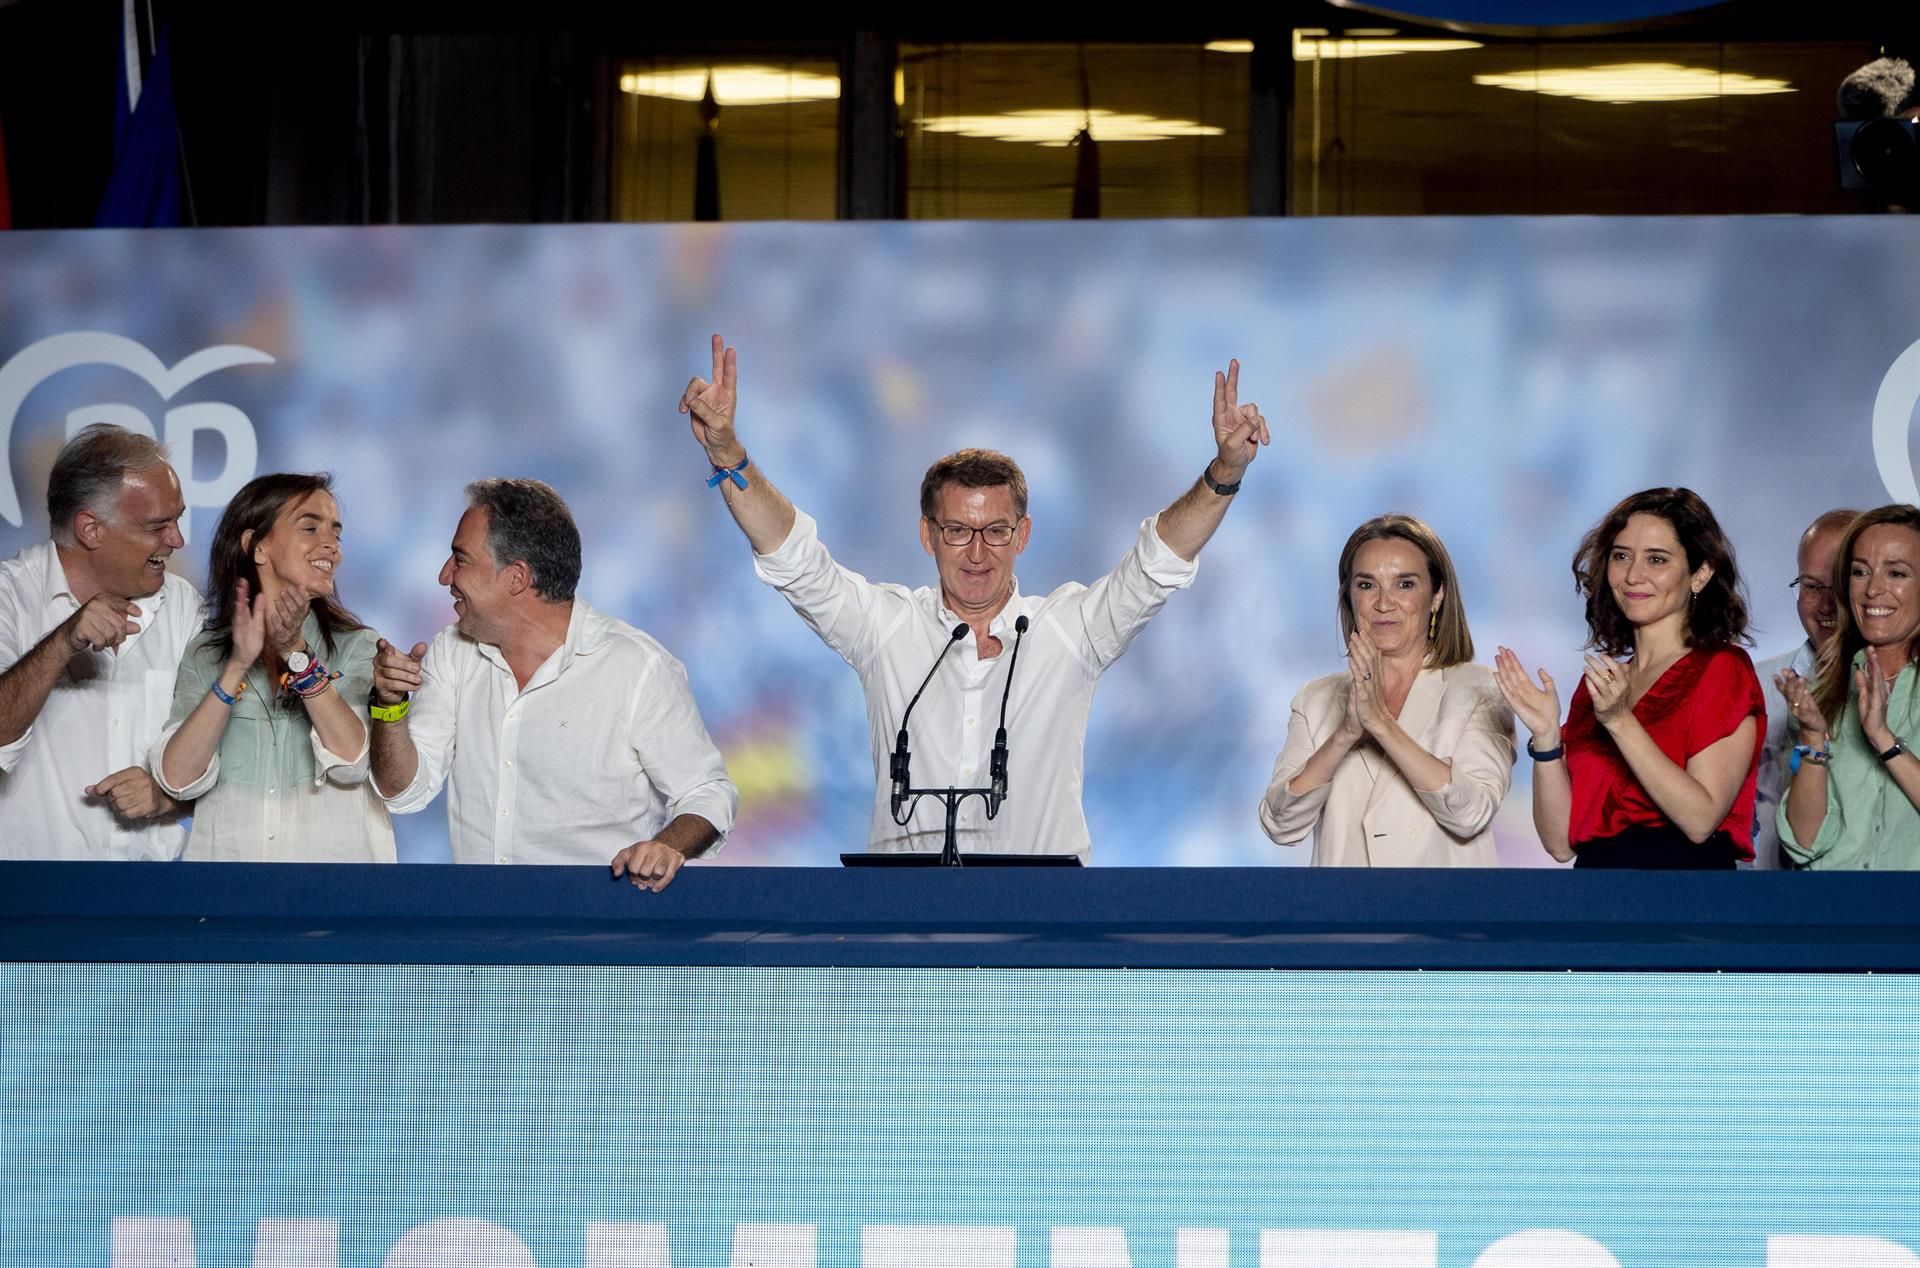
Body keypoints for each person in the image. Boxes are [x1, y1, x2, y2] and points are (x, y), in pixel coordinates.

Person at [681, 334, 1268, 860]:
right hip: (906, 919)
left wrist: (1224, 471)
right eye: (958, 530)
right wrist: (729, 455)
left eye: (996, 531)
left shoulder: (1069, 630)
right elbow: (795, 560)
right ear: (928, 535)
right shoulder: (886, 627)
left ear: (1023, 535)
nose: (977, 551)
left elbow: (1157, 562)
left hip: (1038, 921)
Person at [369, 478, 736, 890]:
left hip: (596, 925)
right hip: (480, 921)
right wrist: (389, 706)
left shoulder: (638, 668)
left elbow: (708, 792)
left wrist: (668, 846)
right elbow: (404, 791)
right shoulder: (451, 652)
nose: (444, 576)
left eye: (460, 559)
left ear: (517, 577)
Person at [1494, 488, 1764, 868]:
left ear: (1700, 574)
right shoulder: (1600, 685)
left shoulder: (1722, 669)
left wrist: (1620, 720)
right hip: (1596, 891)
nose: (1634, 576)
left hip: (1684, 889)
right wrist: (1546, 737)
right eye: (1622, 556)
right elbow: (1559, 844)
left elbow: (1701, 820)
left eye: (1657, 559)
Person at [151, 474, 393, 862]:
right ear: (257, 546)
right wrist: (236, 667)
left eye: (336, 533)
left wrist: (296, 652)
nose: (331, 545)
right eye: (310, 527)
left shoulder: (359, 646)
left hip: (333, 886)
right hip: (231, 886)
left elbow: (351, 763)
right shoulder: (205, 652)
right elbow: (178, 779)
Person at [1260, 515, 1514, 866]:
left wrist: (1381, 724)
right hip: (1346, 900)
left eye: (1404, 584)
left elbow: (1471, 814)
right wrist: (1344, 735)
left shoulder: (1480, 689)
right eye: (1367, 585)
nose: (1384, 603)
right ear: (1349, 597)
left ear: (1437, 595)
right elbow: (1280, 824)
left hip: (1443, 900)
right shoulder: (1315, 698)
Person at [0, 424, 199, 859]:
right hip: (25, 892)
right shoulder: (8, 598)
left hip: (152, 890)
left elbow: (228, 758)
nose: (177, 540)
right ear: (90, 530)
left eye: (177, 520)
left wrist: (167, 797)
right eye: (158, 525)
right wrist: (62, 642)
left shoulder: (184, 606)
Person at [1774, 504, 1920, 867]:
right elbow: (1805, 842)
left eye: (1896, 573)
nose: (1873, 590)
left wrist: (1883, 739)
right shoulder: (1822, 691)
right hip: (1831, 898)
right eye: (1860, 572)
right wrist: (1812, 738)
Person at [1751, 509, 1856, 869]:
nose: (1826, 605)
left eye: (1840, 585)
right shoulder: (1755, 685)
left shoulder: (1906, 692)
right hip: (1765, 894)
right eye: (1812, 586)